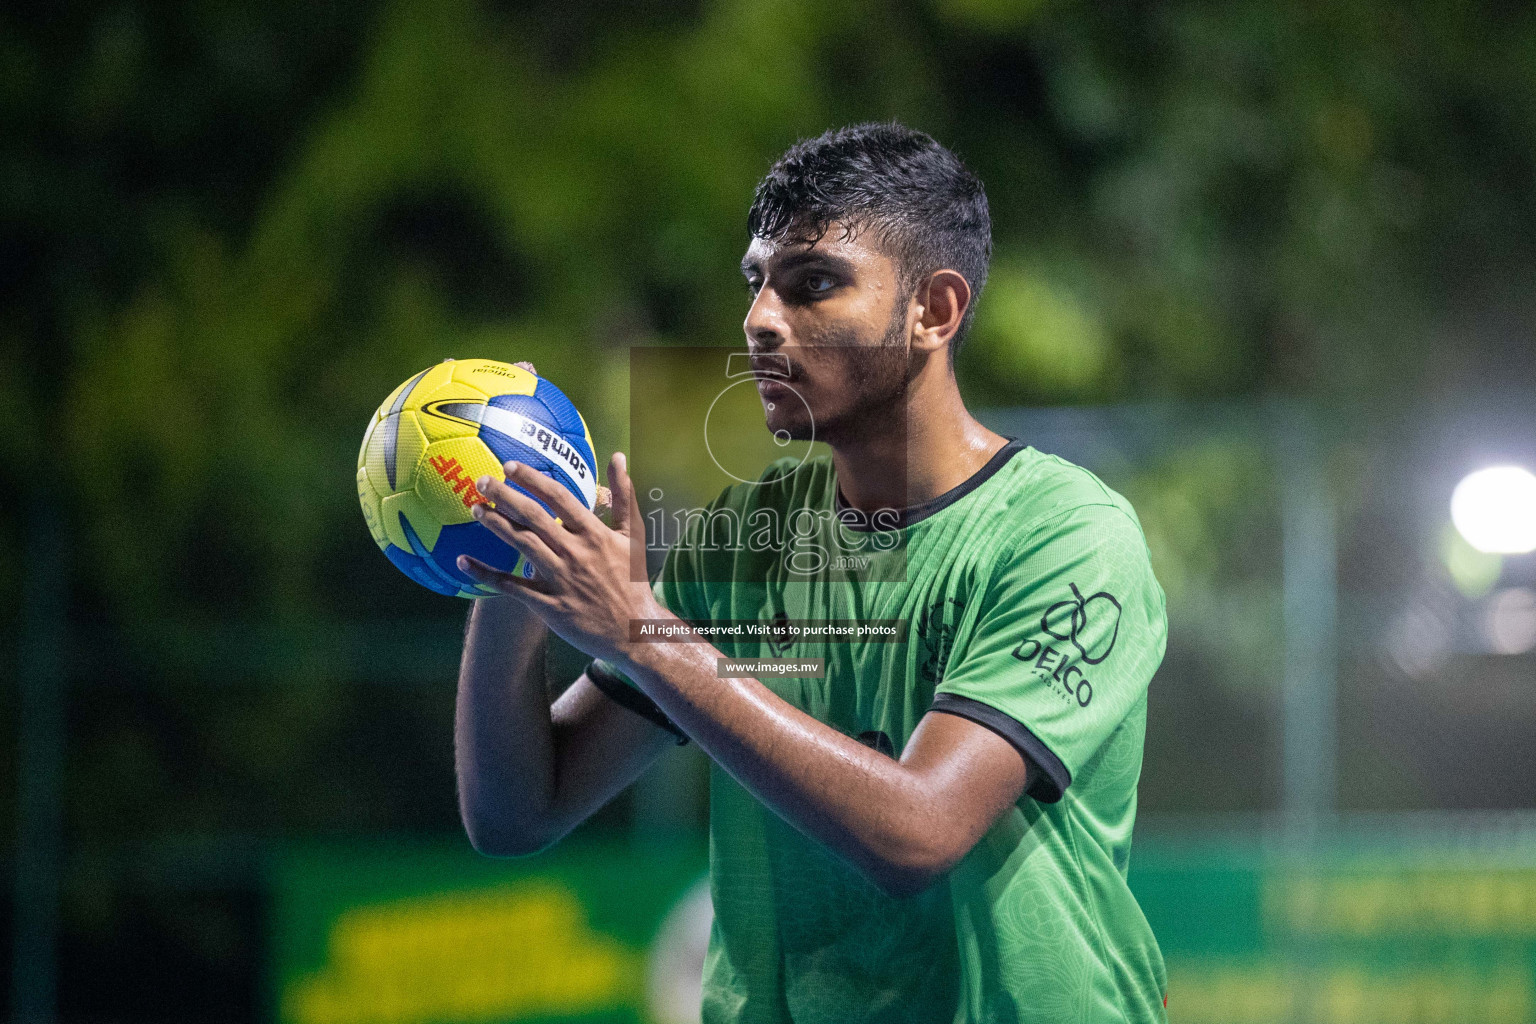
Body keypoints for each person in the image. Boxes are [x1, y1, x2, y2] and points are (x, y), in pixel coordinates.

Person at [454, 123, 1169, 1023]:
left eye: (813, 284)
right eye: (756, 281)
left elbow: (916, 833)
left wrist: (646, 633)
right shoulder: (745, 537)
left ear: (934, 311)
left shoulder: (1066, 536)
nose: (759, 317)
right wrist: (516, 555)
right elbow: (520, 814)